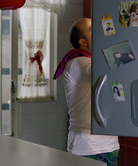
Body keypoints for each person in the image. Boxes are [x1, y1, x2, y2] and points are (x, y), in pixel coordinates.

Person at [53, 18, 120, 166]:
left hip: (110, 144)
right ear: (83, 42)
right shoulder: (77, 62)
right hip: (87, 146)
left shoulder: (95, 61)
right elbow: (103, 73)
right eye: (92, 29)